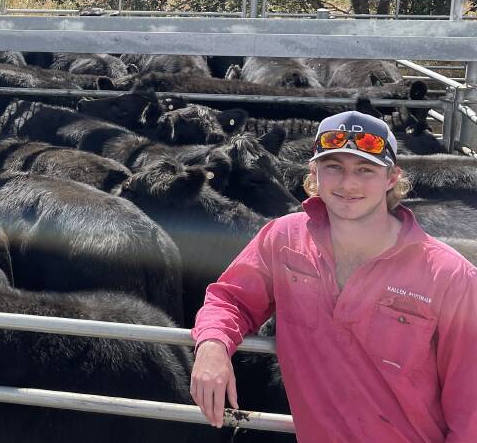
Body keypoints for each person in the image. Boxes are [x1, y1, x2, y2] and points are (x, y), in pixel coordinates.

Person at [189, 110, 476, 441]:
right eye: (334, 167)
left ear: (392, 178)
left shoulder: (449, 275)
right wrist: (212, 344)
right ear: (314, 174)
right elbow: (231, 297)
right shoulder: (284, 239)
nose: (348, 183)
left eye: (365, 170)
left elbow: (470, 407)